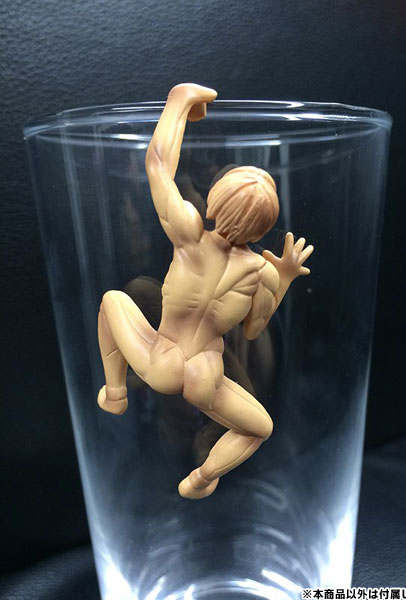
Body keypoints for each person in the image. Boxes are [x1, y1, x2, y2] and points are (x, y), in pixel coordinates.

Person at [97, 83, 314, 499]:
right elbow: (254, 330)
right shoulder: (260, 273)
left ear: (213, 202)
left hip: (161, 360)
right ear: (264, 228)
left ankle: (115, 393)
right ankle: (202, 477)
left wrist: (178, 104)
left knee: (112, 301)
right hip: (205, 377)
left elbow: (158, 165)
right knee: (260, 428)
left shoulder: (189, 237)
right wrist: (284, 276)